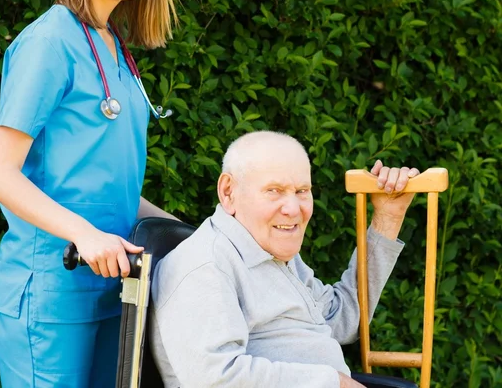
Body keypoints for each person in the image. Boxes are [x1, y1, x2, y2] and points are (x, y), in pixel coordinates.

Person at [0, 0, 185, 387]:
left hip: (114, 290)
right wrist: (85, 234)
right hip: (52, 291)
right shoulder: (50, 43)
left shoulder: (114, 45)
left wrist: (195, 235)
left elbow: (105, 185)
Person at [150, 131, 420, 388]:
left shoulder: (273, 254)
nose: (293, 209)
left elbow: (341, 319)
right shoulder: (205, 265)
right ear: (228, 191)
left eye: (302, 191)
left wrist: (388, 218)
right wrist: (332, 382)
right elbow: (215, 379)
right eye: (274, 190)